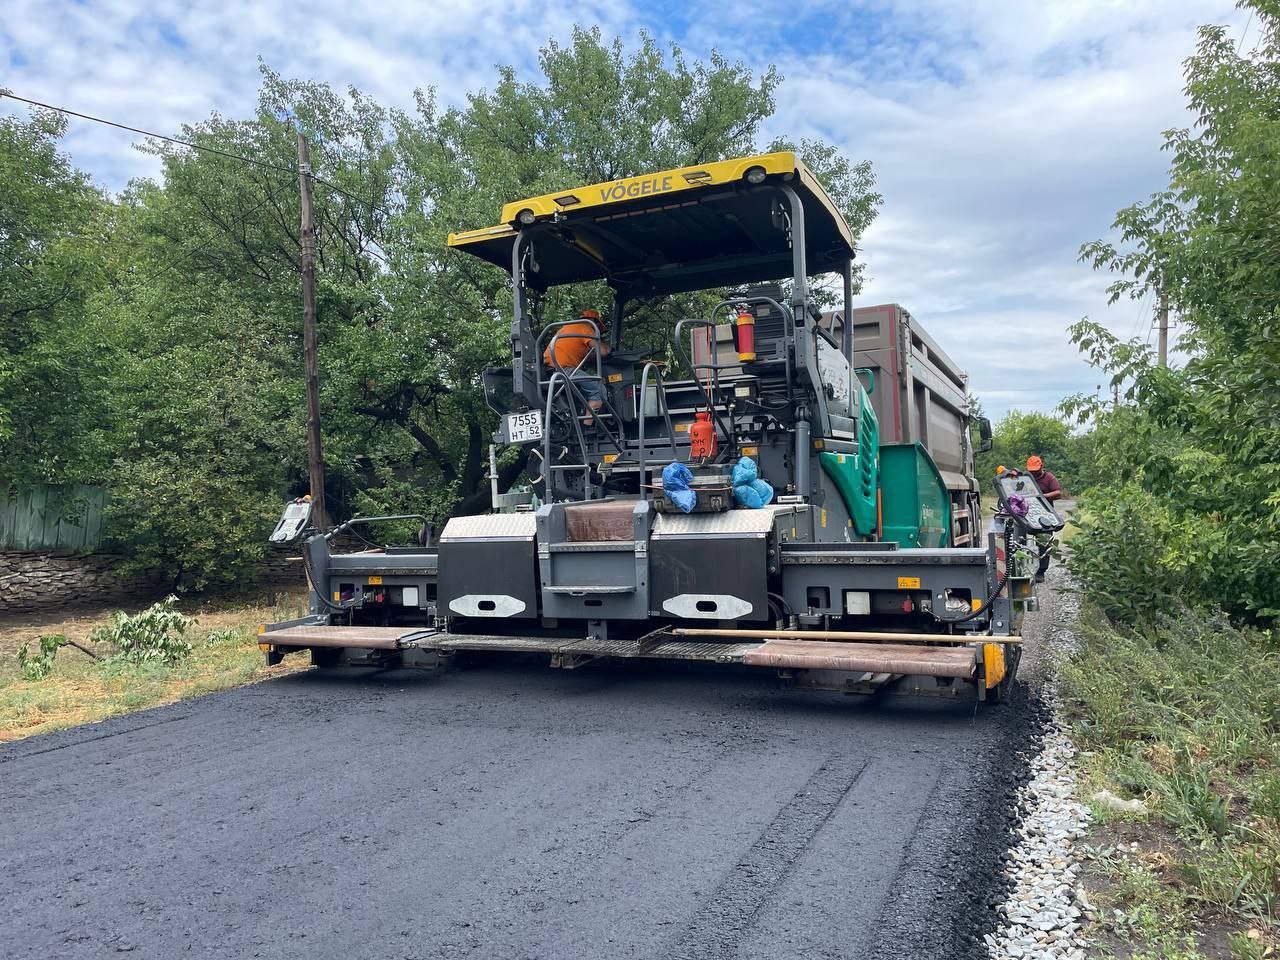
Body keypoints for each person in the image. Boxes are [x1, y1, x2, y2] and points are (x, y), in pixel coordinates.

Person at [544, 308, 610, 421]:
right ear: (593, 322)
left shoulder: (567, 328)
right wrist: (609, 349)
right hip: (565, 370)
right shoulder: (585, 327)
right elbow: (603, 351)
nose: (597, 331)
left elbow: (584, 356)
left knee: (587, 385)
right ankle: (588, 429)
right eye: (598, 328)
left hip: (551, 369)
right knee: (598, 391)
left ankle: (582, 421)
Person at [1026, 455, 1062, 581]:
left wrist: (1042, 496)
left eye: (1036, 470)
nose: (1034, 473)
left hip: (1044, 514)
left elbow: (1058, 493)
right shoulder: (1026, 478)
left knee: (1044, 542)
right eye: (1032, 471)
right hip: (1026, 513)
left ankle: (1041, 571)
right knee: (1017, 539)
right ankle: (1019, 568)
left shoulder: (1049, 478)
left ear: (1041, 466)